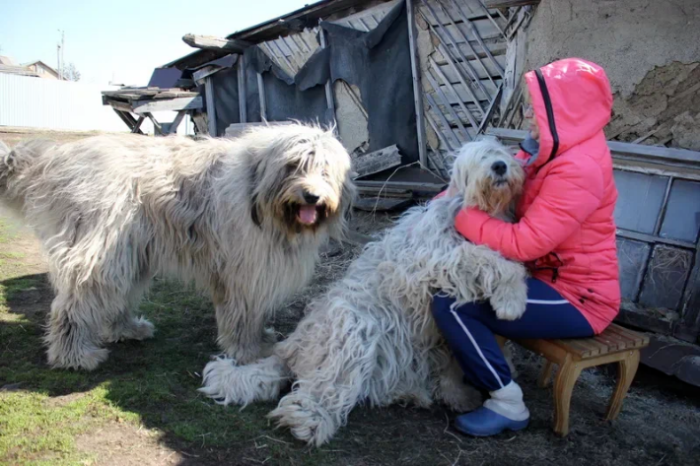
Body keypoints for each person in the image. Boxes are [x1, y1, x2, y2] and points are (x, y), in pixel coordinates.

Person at [431, 58, 620, 437]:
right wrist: (439, 206)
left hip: (578, 297)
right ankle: (465, 373)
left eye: (538, 109)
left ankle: (507, 403)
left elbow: (524, 243)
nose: (532, 117)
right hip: (546, 276)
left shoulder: (578, 168)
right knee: (449, 288)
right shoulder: (547, 151)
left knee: (453, 302)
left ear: (564, 112)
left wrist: (461, 216)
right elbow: (475, 183)